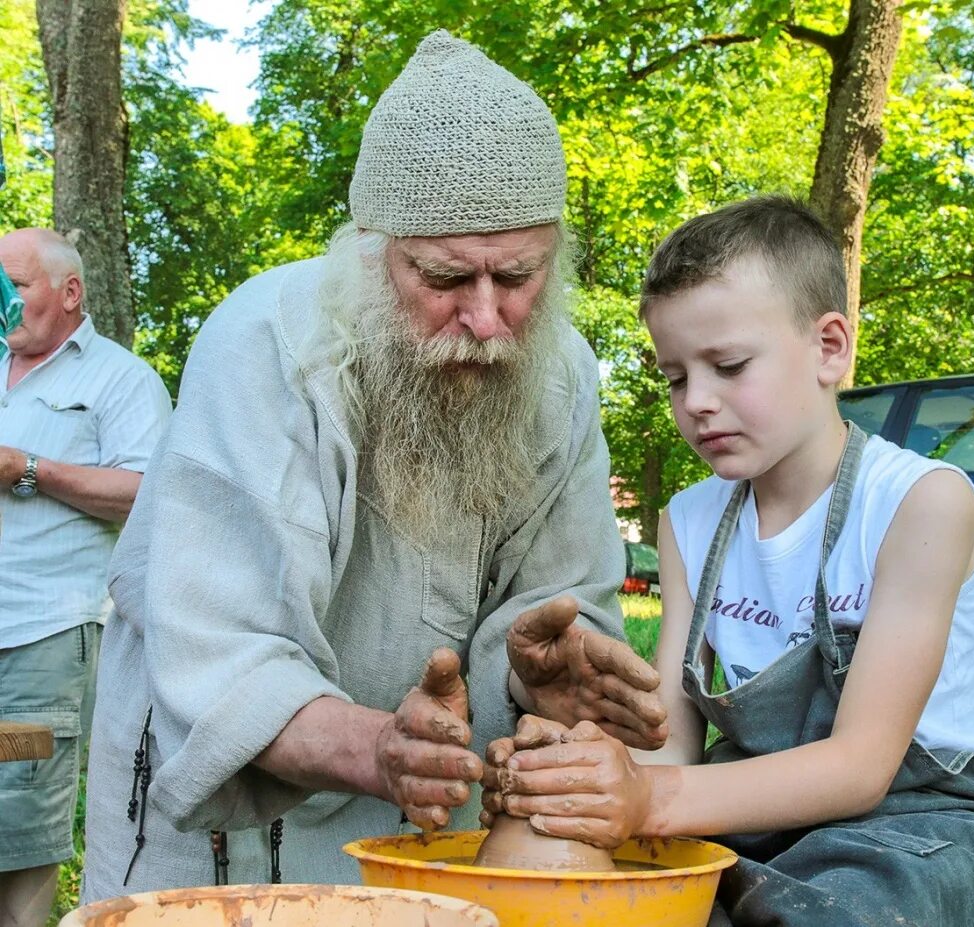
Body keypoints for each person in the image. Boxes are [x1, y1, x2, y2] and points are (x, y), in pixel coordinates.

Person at [80, 30, 666, 901]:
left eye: (517, 275)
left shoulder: (563, 375)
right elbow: (223, 648)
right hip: (229, 827)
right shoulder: (266, 347)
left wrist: (542, 672)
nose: (488, 319)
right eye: (444, 276)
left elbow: (557, 600)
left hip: (431, 816)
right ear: (372, 249)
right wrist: (377, 747)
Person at [481, 196, 974, 926]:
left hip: (921, 828)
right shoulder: (690, 520)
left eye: (729, 365)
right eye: (677, 378)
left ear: (829, 347)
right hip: (753, 818)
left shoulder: (920, 502)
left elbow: (862, 766)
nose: (699, 403)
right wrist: (567, 775)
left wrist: (646, 800)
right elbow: (675, 747)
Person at [0, 228, 172, 927]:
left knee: (18, 825)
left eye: (16, 284)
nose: (3, 301)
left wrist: (29, 469)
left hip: (42, 642)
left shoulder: (121, 378)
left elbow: (149, 492)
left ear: (69, 293)